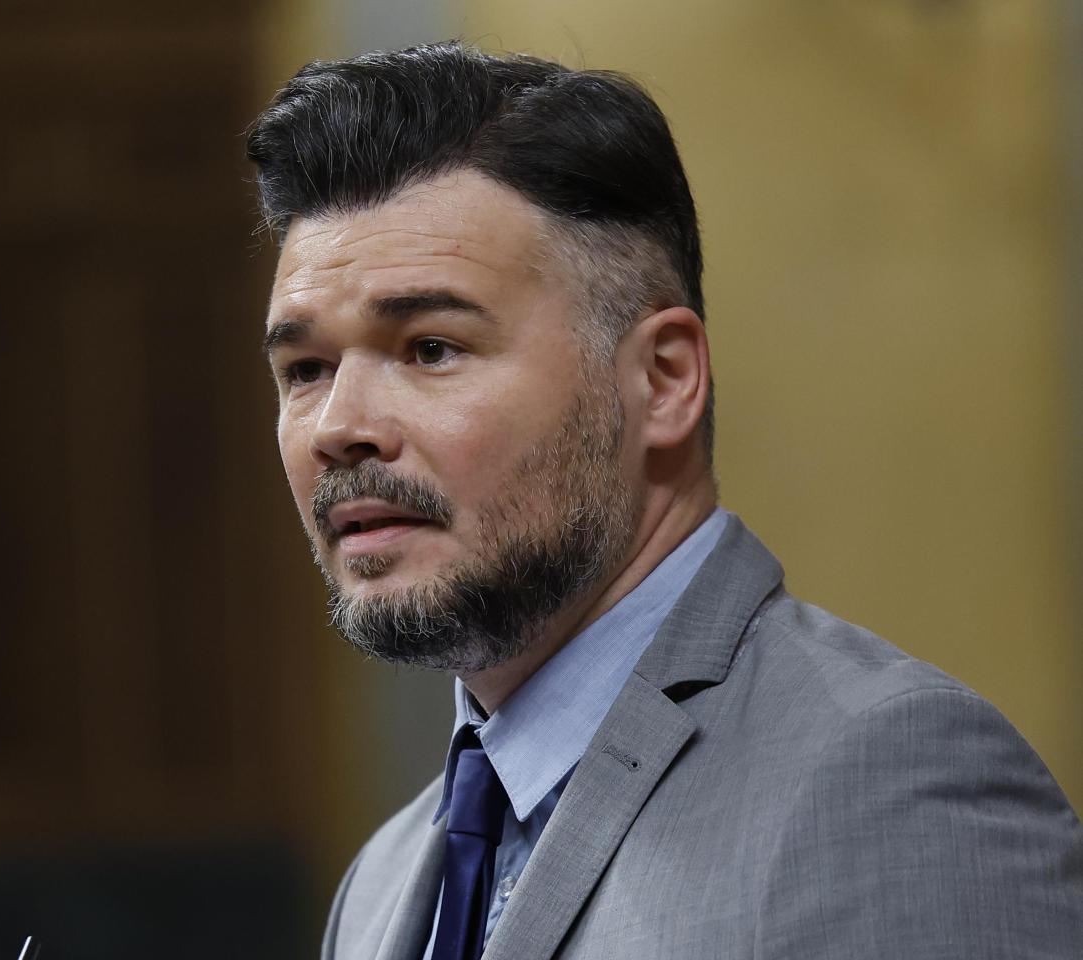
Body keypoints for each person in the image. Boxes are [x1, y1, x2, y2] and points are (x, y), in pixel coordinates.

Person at [244, 42, 1083, 960]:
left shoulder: (891, 778)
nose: (339, 425)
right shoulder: (383, 880)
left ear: (664, 378)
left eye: (431, 348)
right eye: (306, 368)